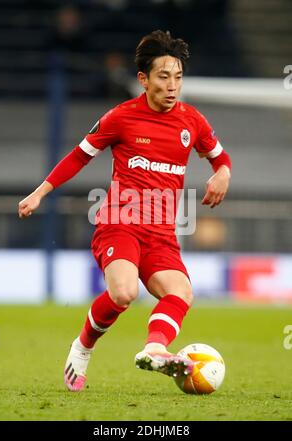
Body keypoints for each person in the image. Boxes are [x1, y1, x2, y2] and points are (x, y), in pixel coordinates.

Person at [18, 30, 231, 392]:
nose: (172, 85)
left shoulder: (191, 121)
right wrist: (40, 193)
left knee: (181, 292)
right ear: (143, 79)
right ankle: (83, 347)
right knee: (124, 293)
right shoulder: (121, 117)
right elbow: (78, 157)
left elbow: (220, 157)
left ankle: (155, 348)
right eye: (163, 77)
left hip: (162, 233)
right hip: (121, 224)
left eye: (178, 77)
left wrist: (222, 173)